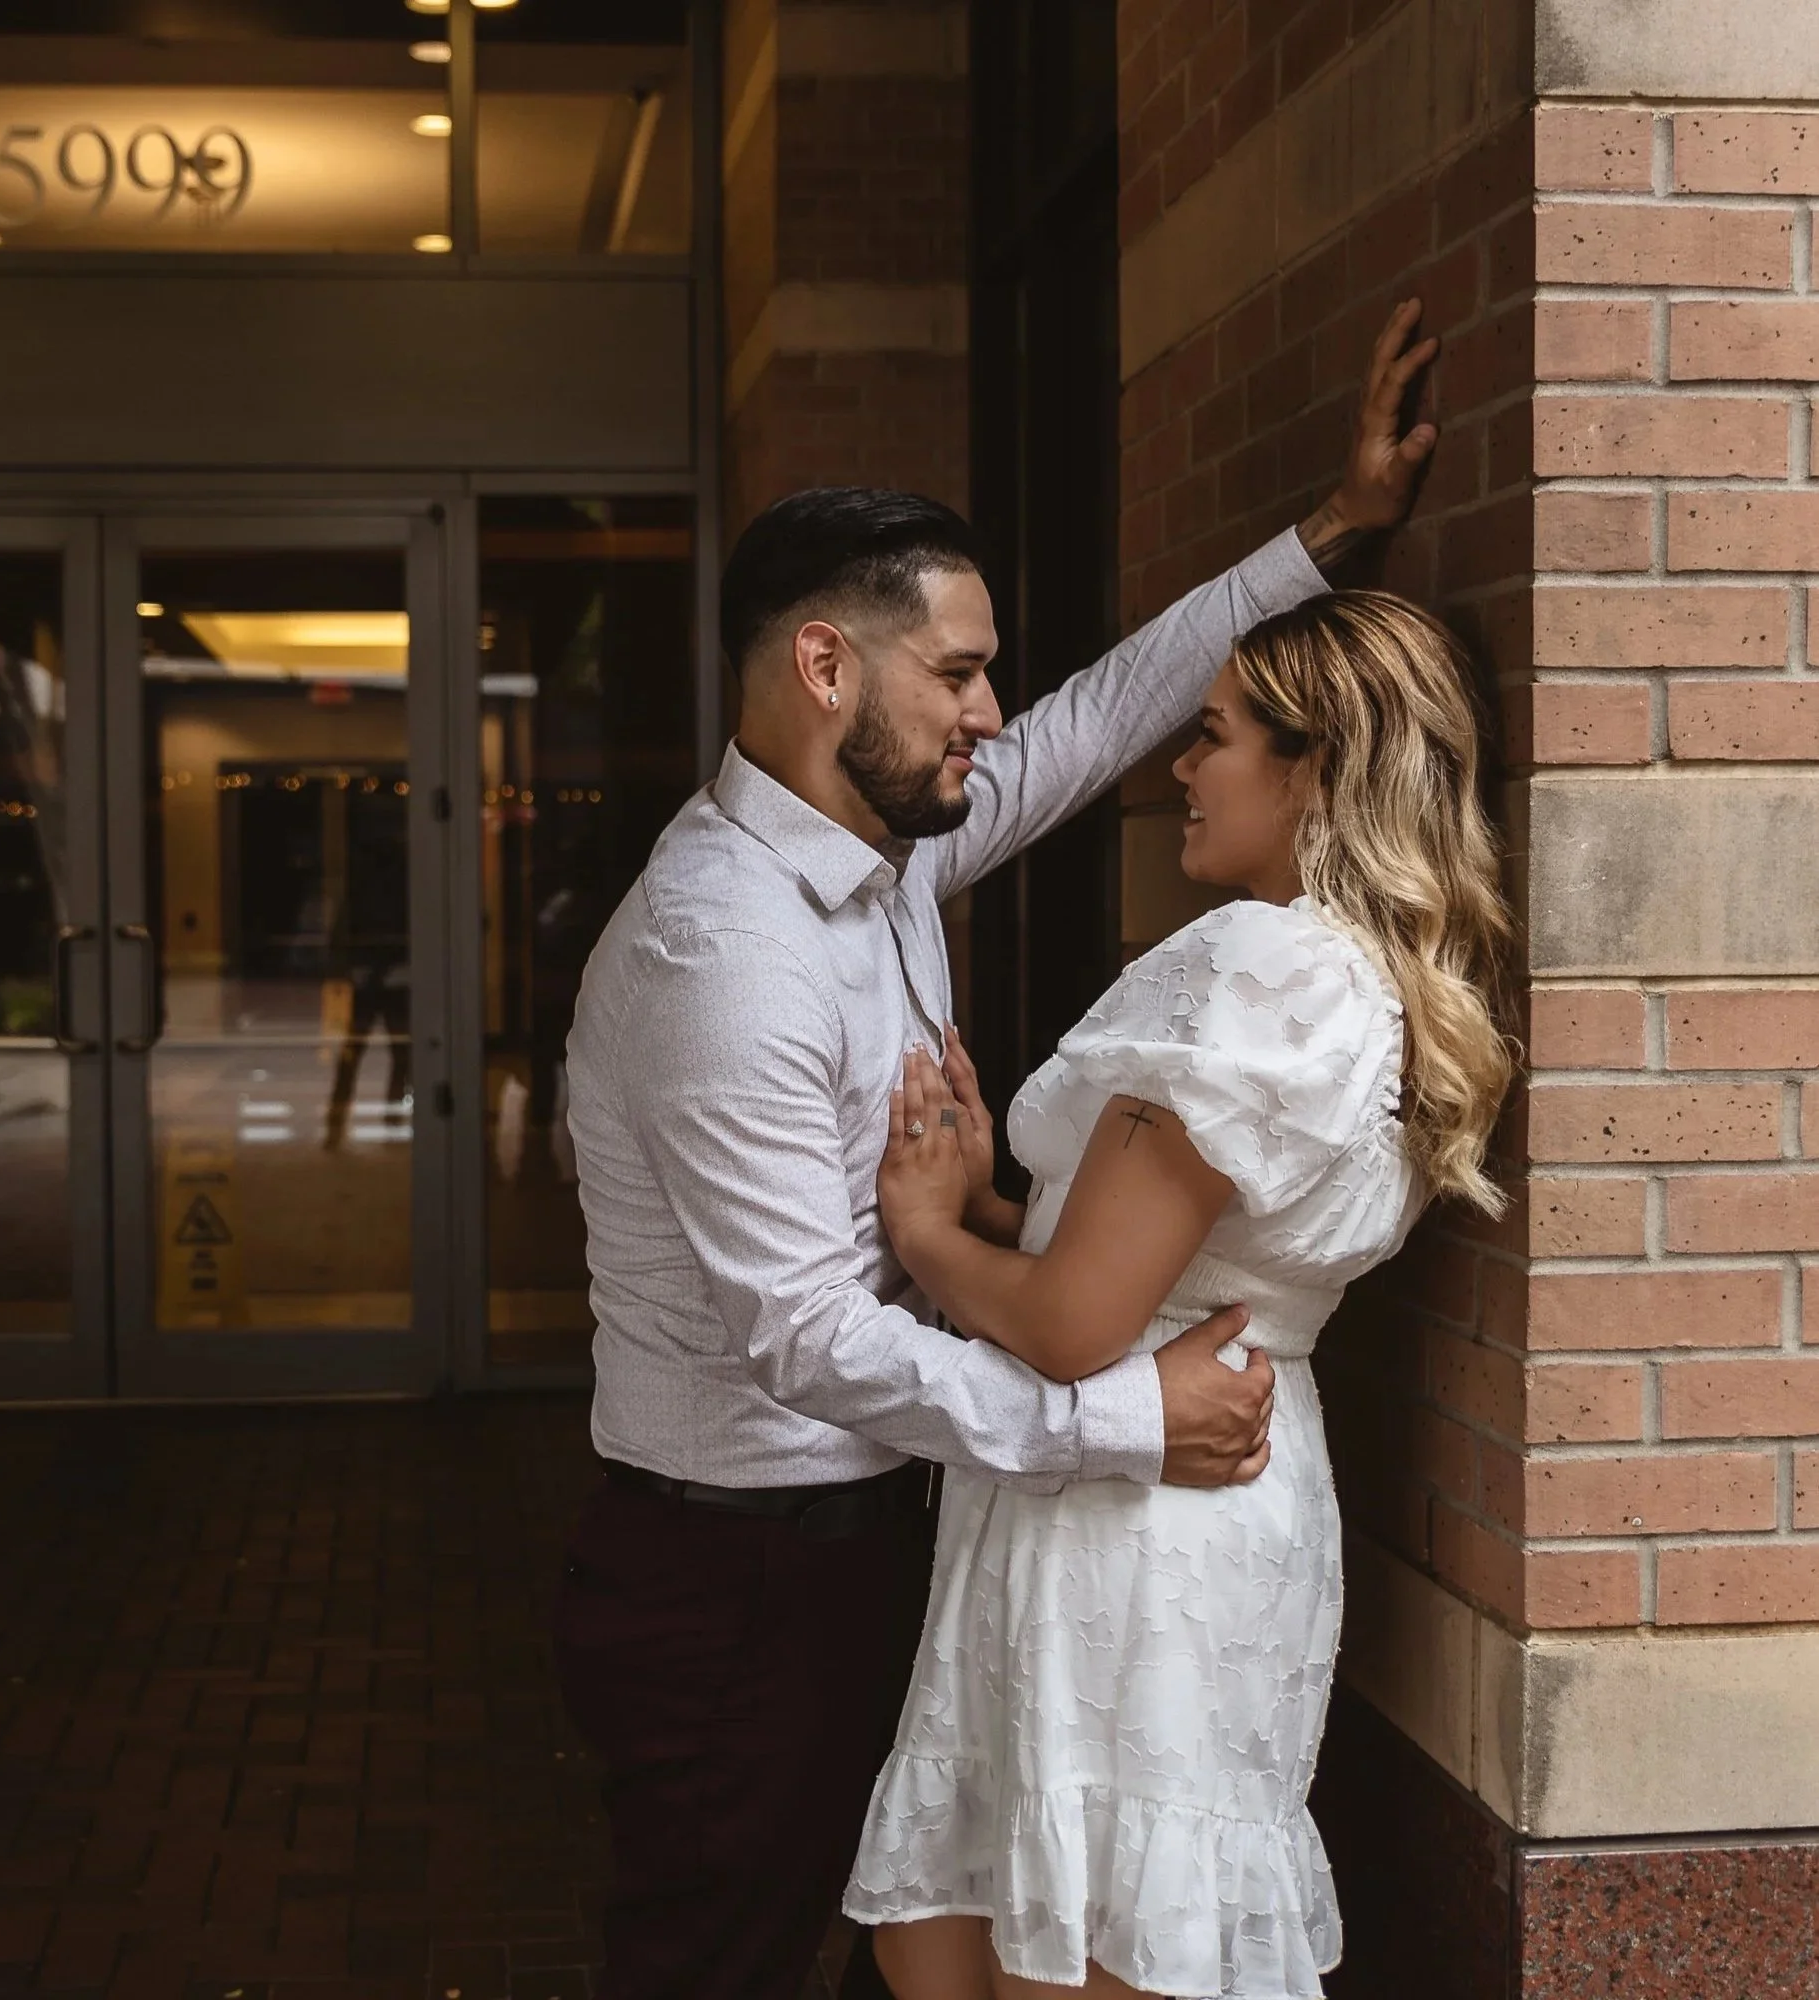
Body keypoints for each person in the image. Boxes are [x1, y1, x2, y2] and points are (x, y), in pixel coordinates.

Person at [552, 301, 1441, 2000]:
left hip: (881, 1522)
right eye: (957, 673)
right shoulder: (715, 954)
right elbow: (801, 1333)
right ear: (828, 667)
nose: (990, 710)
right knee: (721, 1962)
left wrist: (1327, 541)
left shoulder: (882, 851)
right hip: (735, 1577)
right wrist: (1118, 1418)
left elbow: (1101, 717)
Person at [846, 591, 1513, 1998]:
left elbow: (1082, 1322)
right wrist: (995, 1212)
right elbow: (1181, 1259)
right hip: (1216, 1494)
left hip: (1134, 1520)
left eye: (1212, 738)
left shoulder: (1256, 969)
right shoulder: (1366, 983)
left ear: (1316, 766)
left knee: (1042, 1943)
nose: (1180, 769)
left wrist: (927, 1230)